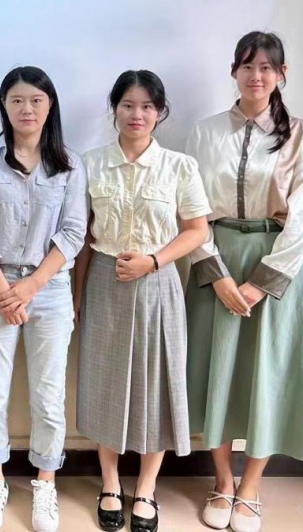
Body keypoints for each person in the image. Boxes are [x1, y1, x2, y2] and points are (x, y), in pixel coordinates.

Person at [185, 32, 303, 532]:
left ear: (282, 75)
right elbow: (192, 209)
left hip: (278, 263)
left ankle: (250, 487)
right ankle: (223, 480)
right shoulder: (204, 132)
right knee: (216, 369)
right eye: (247, 66)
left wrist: (260, 284)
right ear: (234, 71)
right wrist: (218, 276)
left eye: (267, 67)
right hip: (216, 257)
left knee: (269, 370)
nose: (256, 75)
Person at [75, 70, 210, 532]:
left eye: (148, 106)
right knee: (104, 381)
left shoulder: (179, 166)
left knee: (157, 385)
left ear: (160, 112)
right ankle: (110, 482)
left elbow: (197, 229)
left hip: (158, 282)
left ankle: (147, 488)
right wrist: (76, 296)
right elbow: (82, 237)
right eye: (128, 105)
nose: (137, 114)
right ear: (114, 109)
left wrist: (153, 261)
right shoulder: (90, 164)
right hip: (105, 279)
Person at [0, 66, 87, 532]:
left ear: (50, 105)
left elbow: (74, 232)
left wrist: (31, 287)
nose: (26, 109)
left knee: (48, 396)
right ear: (4, 105)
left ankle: (45, 483)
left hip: (49, 290)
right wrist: (5, 292)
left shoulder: (70, 164)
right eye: (16, 100)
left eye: (36, 100)